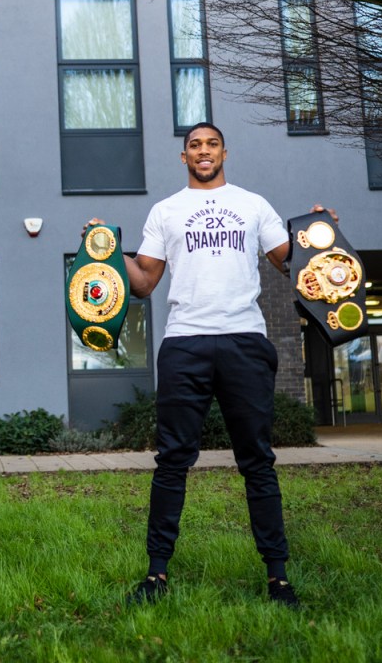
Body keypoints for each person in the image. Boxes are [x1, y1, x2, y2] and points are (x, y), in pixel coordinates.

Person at [88, 122, 326, 609]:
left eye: (211, 144)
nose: (203, 151)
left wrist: (321, 236)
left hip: (244, 340)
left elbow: (291, 261)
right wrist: (107, 250)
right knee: (172, 460)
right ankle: (157, 575)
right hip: (185, 343)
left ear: (224, 152)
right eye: (194, 145)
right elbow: (143, 283)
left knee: (257, 461)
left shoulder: (252, 204)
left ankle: (278, 579)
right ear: (184, 157)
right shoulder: (166, 211)